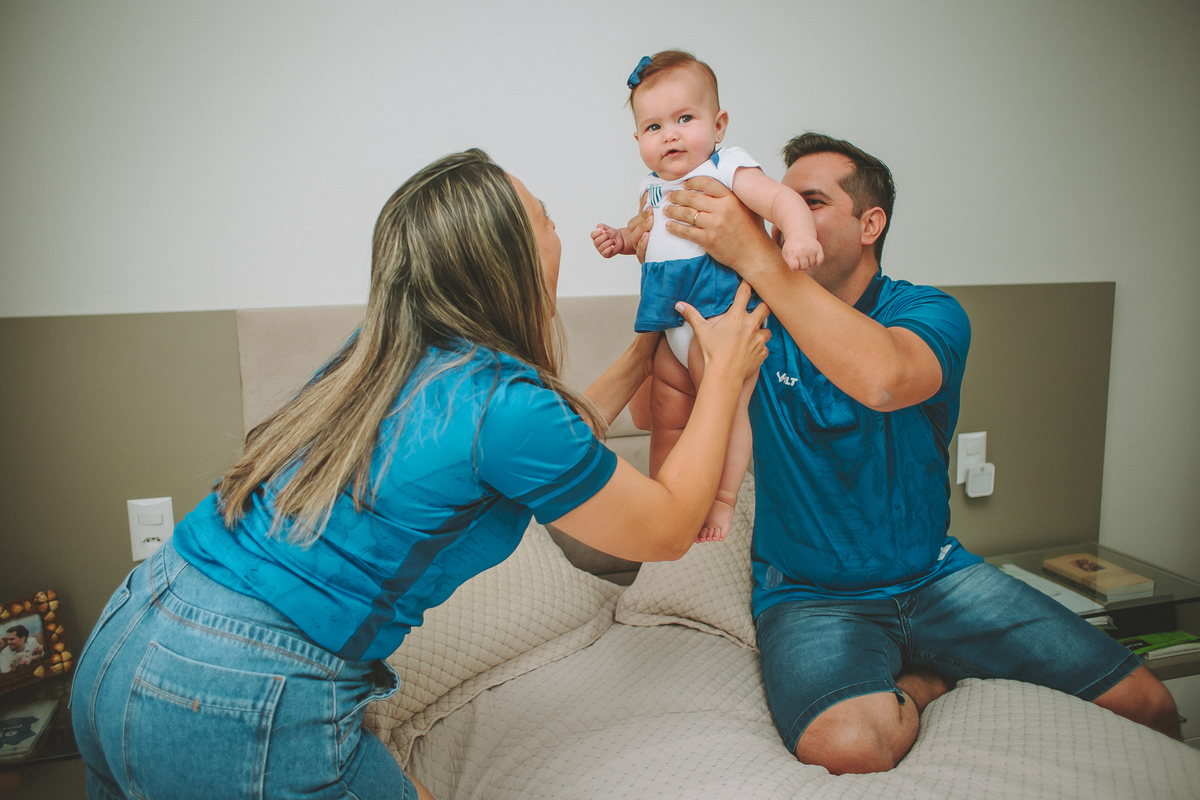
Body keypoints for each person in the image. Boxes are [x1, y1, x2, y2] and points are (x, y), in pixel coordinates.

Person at [70, 148, 771, 800]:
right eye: (546, 221)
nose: (557, 237)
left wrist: (652, 340)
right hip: (237, 691)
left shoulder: (378, 361)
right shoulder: (504, 405)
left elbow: (556, 440)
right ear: (511, 260)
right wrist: (725, 377)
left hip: (127, 636)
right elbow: (669, 528)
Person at [649, 132, 1180, 774]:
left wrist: (757, 256)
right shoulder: (749, 320)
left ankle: (926, 659)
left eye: (809, 201)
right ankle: (929, 682)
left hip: (937, 576)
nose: (783, 213)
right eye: (780, 200)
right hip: (809, 595)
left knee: (1150, 705)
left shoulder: (930, 311)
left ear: (871, 223)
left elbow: (885, 379)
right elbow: (665, 404)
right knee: (849, 746)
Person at [591, 51, 821, 543]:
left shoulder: (727, 166)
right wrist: (622, 239)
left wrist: (798, 234)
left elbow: (781, 199)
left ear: (718, 125)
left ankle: (721, 498)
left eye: (684, 119)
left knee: (728, 408)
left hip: (718, 321)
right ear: (638, 141)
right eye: (653, 127)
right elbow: (647, 235)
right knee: (668, 417)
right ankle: (664, 498)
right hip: (667, 325)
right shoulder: (650, 186)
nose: (669, 134)